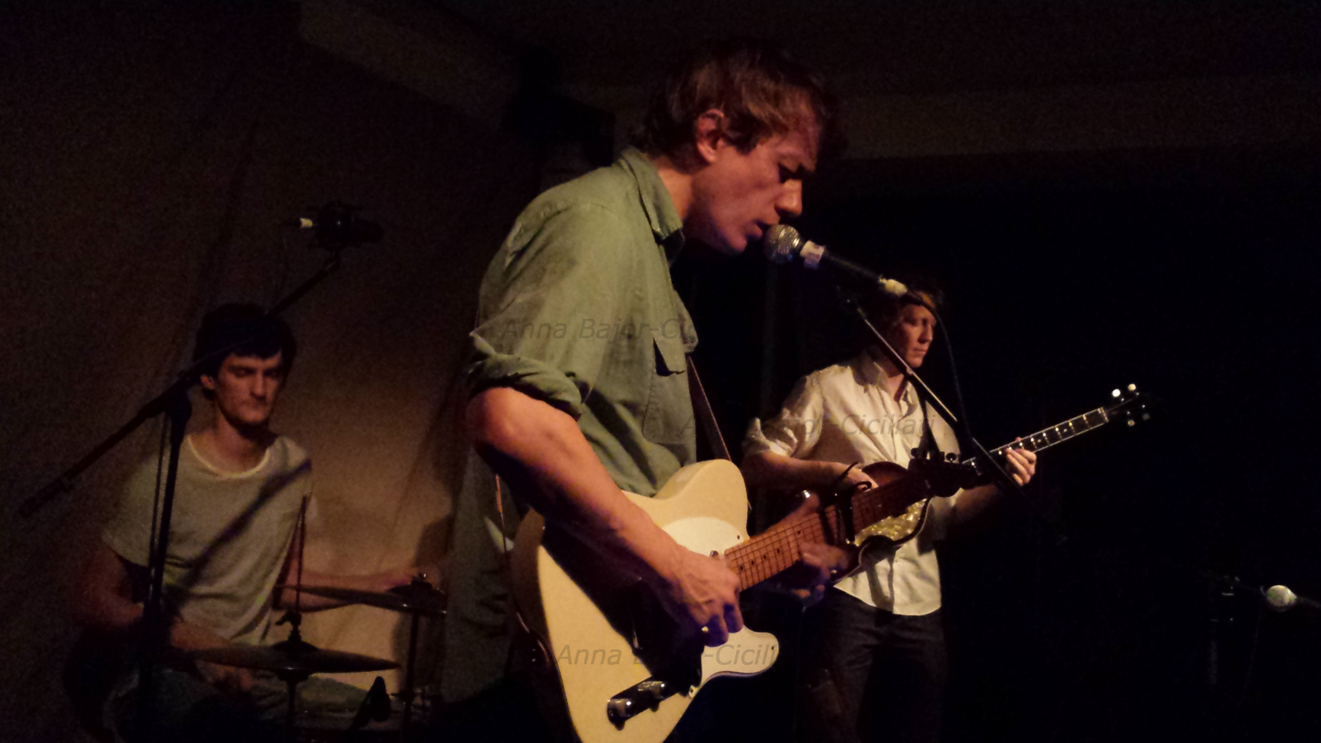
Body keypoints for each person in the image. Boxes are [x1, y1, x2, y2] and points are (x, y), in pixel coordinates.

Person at [440, 39, 845, 738]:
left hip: (616, 660)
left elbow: (639, 493)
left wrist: (750, 564)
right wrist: (670, 566)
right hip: (538, 680)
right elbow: (512, 418)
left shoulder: (651, 262)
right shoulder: (596, 223)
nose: (794, 204)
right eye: (785, 170)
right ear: (712, 134)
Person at [70, 303, 415, 743]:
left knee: (397, 718)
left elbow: (281, 583)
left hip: (256, 670)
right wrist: (188, 637)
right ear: (208, 379)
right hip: (173, 668)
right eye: (243, 372)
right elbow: (91, 599)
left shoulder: (292, 466)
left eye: (271, 374)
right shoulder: (164, 476)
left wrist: (377, 583)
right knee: (226, 730)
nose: (259, 388)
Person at [741, 286, 1038, 743]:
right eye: (916, 321)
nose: (927, 336)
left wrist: (1003, 484)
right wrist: (835, 472)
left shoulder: (935, 419)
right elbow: (759, 461)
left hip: (921, 600)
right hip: (846, 590)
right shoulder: (829, 386)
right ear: (881, 320)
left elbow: (948, 515)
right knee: (829, 729)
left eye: (933, 327)